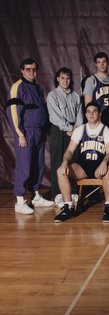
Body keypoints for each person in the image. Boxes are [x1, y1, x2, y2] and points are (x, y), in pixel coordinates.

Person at [6, 58, 53, 214]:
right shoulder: (17, 87)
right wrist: (20, 134)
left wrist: (44, 130)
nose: (32, 72)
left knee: (38, 165)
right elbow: (13, 113)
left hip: (39, 132)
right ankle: (20, 201)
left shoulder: (38, 88)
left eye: (34, 69)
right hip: (26, 132)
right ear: (21, 70)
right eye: (28, 69)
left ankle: (36, 196)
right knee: (24, 166)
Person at [55, 102, 109, 222]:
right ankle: (68, 207)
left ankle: (108, 207)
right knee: (61, 171)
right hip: (83, 167)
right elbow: (69, 151)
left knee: (108, 171)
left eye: (94, 111)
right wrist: (65, 163)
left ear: (99, 114)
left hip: (100, 167)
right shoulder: (80, 130)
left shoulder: (106, 130)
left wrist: (104, 163)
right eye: (88, 111)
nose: (91, 114)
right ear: (86, 114)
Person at [47, 67, 83, 199]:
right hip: (59, 131)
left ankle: (72, 191)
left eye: (68, 78)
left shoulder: (75, 96)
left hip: (74, 131)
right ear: (57, 79)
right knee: (58, 161)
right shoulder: (52, 95)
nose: (65, 81)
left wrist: (76, 129)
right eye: (62, 78)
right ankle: (58, 194)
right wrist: (68, 129)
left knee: (73, 161)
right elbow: (55, 117)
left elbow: (79, 115)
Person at [82, 52, 109, 127]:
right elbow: (88, 104)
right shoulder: (91, 80)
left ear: (108, 63)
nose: (102, 65)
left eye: (104, 62)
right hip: (99, 118)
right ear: (96, 64)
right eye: (99, 62)